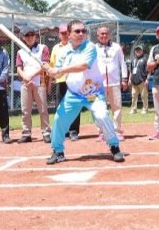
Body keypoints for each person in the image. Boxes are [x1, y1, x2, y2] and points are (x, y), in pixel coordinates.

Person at [41, 19, 124, 163]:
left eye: (83, 31)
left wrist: (59, 70)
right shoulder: (64, 51)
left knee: (101, 115)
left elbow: (84, 65)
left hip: (93, 92)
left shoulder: (90, 47)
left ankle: (114, 147)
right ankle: (57, 151)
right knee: (59, 119)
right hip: (73, 94)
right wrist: (51, 71)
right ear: (69, 34)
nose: (81, 34)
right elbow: (58, 73)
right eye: (77, 31)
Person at [16, 27, 51, 143]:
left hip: (39, 82)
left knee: (42, 108)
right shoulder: (20, 51)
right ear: (23, 38)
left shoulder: (43, 48)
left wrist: (31, 75)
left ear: (35, 36)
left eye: (32, 35)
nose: (30, 37)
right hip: (26, 83)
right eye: (27, 35)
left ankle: (46, 132)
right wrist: (26, 77)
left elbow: (45, 66)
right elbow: (19, 69)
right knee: (25, 109)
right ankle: (26, 132)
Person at [94, 26, 128, 141]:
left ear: (109, 35)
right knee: (100, 109)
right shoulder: (93, 48)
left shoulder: (116, 47)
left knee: (116, 107)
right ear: (97, 35)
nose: (104, 36)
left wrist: (124, 79)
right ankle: (102, 132)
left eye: (106, 33)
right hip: (99, 84)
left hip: (114, 82)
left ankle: (117, 131)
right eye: (101, 34)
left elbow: (122, 63)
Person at [49, 23, 80, 141]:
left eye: (67, 32)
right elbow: (52, 64)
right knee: (60, 107)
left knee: (75, 105)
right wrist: (50, 81)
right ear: (59, 35)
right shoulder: (56, 48)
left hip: (73, 80)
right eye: (62, 33)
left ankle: (74, 131)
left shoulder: (75, 46)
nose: (65, 35)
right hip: (60, 80)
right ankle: (64, 131)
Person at [130, 45, 150, 113]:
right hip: (134, 81)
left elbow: (148, 71)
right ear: (135, 51)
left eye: (139, 50)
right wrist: (130, 79)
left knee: (144, 96)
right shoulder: (133, 60)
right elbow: (131, 70)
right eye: (136, 50)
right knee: (133, 96)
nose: (138, 51)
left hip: (142, 81)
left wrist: (147, 79)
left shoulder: (145, 60)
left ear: (142, 51)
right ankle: (133, 109)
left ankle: (145, 109)